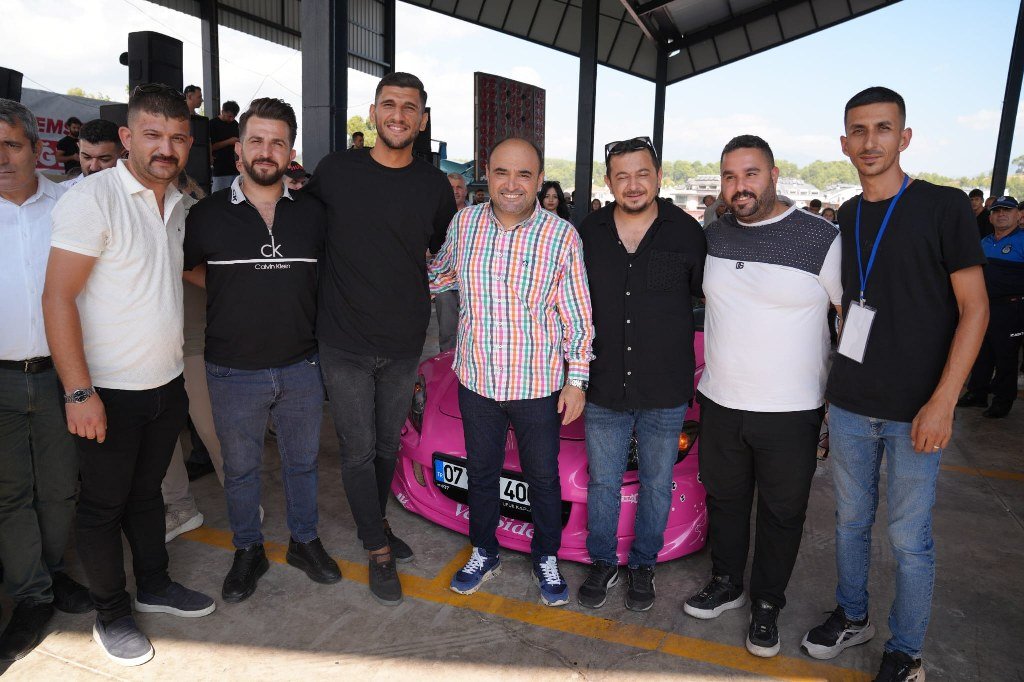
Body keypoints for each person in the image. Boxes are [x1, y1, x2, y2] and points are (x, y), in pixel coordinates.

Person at [802, 87, 988, 682]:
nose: (870, 141)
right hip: (852, 403)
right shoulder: (848, 215)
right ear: (843, 143)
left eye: (883, 128)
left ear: (904, 137)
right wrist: (830, 402)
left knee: (909, 538)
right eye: (858, 130)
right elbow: (851, 310)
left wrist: (944, 402)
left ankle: (906, 650)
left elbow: (976, 309)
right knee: (850, 523)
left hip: (917, 409)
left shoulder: (943, 206)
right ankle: (853, 615)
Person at [43, 83, 216, 667]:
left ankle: (155, 585)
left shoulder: (177, 206)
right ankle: (111, 614)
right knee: (103, 507)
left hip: (165, 385)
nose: (166, 148)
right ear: (126, 138)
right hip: (106, 391)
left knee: (147, 495)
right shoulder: (94, 199)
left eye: (177, 137)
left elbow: (186, 274)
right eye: (152, 135)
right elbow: (58, 297)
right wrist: (79, 391)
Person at [682, 135, 841, 659]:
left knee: (781, 512)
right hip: (721, 400)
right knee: (725, 501)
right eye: (729, 177)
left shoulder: (821, 237)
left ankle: (768, 602)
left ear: (773, 175)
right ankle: (727, 582)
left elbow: (854, 316)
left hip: (791, 410)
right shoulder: (714, 235)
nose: (739, 186)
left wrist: (842, 395)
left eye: (750, 174)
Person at [306, 72, 456, 606]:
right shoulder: (335, 171)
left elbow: (446, 253)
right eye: (388, 105)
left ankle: (376, 523)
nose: (398, 115)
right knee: (358, 449)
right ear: (373, 113)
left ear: (422, 118)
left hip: (403, 341)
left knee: (389, 446)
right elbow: (303, 232)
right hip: (342, 339)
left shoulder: (434, 186)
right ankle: (377, 547)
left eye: (409, 107)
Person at [183, 97, 338, 603]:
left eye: (277, 142)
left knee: (302, 463)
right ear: (239, 150)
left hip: (302, 364)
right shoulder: (205, 214)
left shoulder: (314, 213)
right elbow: (187, 266)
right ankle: (248, 549)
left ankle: (304, 541)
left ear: (290, 152)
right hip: (232, 368)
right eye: (256, 140)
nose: (266, 151)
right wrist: (234, 287)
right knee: (241, 468)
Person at [430, 137, 593, 606]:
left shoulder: (561, 236)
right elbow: (442, 275)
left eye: (524, 174)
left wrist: (577, 380)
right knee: (481, 472)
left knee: (542, 477)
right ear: (487, 174)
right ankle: (484, 550)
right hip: (478, 380)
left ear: (540, 180)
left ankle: (546, 555)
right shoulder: (465, 224)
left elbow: (577, 316)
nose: (512, 184)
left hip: (537, 385)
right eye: (502, 172)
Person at [576, 136, 705, 612]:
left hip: (664, 388)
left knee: (655, 483)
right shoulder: (588, 232)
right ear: (609, 182)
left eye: (642, 174)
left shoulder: (686, 232)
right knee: (603, 483)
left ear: (659, 176)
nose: (633, 185)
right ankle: (603, 561)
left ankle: (643, 563)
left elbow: (709, 297)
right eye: (622, 176)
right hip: (604, 384)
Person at [0, 99, 93, 663]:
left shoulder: (68, 206)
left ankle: (53, 573)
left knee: (59, 488)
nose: (1, 158)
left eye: (10, 145)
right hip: (2, 380)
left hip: (63, 374)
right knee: (9, 493)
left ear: (37, 149)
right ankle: (32, 595)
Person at [958, 195, 1024, 418]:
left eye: (1007, 210)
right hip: (982, 306)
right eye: (997, 210)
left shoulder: (1022, 240)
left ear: (1018, 215)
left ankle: (1003, 400)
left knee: (1006, 356)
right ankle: (977, 393)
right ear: (991, 216)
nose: (1001, 214)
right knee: (980, 351)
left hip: (1011, 309)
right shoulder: (984, 242)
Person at [436, 173, 469, 352]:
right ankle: (447, 367)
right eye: (451, 188)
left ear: (465, 191)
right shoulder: (435, 214)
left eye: (459, 187)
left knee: (473, 332)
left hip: (471, 283)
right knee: (447, 333)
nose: (455, 191)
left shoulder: (477, 216)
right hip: (445, 285)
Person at [62, 118, 124, 188]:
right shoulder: (62, 191)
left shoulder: (132, 191)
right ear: (79, 148)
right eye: (87, 157)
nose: (94, 167)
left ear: (122, 154)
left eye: (104, 159)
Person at [209, 100, 240, 192]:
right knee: (219, 196)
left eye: (233, 117)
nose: (232, 119)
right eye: (229, 116)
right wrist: (229, 142)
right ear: (222, 112)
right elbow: (211, 146)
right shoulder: (212, 124)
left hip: (234, 167)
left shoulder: (235, 124)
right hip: (220, 168)